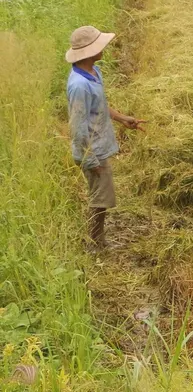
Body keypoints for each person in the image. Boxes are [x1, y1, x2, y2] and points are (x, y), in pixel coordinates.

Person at [65, 26, 145, 251]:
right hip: (91, 151)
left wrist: (122, 119)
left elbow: (99, 106)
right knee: (100, 199)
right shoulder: (79, 86)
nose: (104, 48)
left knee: (102, 196)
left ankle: (98, 239)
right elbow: (77, 127)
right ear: (89, 52)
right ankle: (94, 243)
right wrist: (91, 160)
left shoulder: (93, 73)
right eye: (100, 45)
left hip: (98, 146)